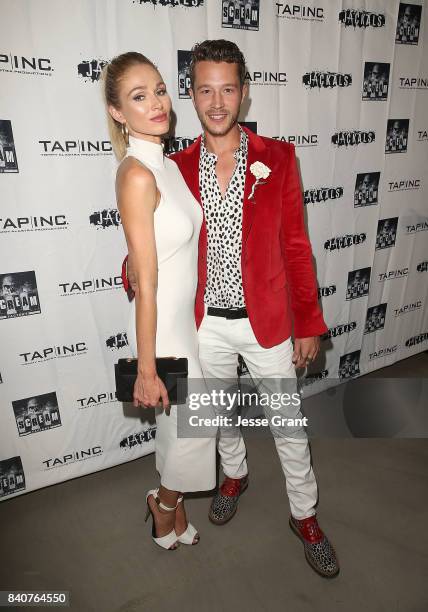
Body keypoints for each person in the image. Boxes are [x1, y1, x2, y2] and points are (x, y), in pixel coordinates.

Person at [123, 39, 340, 577]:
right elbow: (156, 236)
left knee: (289, 424)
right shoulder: (175, 167)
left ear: (243, 93)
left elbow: (296, 246)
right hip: (205, 327)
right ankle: (233, 476)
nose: (216, 103)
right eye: (204, 90)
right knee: (215, 420)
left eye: (227, 89)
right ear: (191, 96)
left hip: (266, 322)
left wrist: (307, 323)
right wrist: (130, 266)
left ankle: (305, 515)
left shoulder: (279, 158)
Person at [102, 51, 216, 551]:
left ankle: (171, 503)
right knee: (196, 428)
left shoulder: (165, 164)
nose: (157, 103)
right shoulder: (137, 174)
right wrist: (146, 368)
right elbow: (145, 284)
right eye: (138, 96)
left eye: (160, 90)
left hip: (183, 319)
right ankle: (164, 504)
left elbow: (157, 249)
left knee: (182, 430)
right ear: (118, 113)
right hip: (162, 326)